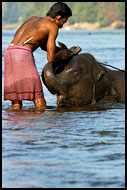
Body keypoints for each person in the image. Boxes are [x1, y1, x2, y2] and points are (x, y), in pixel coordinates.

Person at [4, 2, 72, 111]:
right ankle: (40, 126)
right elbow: (51, 58)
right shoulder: (52, 26)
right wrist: (60, 55)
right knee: (38, 96)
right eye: (63, 22)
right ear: (58, 18)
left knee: (16, 101)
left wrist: (60, 49)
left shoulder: (32, 19)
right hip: (22, 54)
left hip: (10, 51)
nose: (61, 26)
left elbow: (42, 45)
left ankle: (15, 126)